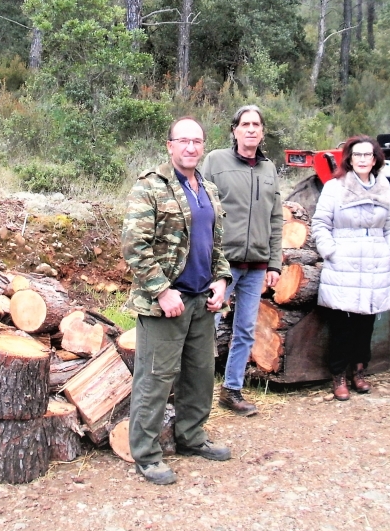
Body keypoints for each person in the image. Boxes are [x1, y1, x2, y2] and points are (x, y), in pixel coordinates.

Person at [121, 117, 233, 485]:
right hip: (165, 304)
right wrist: (161, 290)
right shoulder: (150, 187)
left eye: (197, 141)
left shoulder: (209, 190)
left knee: (200, 377)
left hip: (202, 302)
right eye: (183, 140)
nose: (190, 147)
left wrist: (221, 279)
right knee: (155, 380)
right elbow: (134, 247)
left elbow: (216, 245)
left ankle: (192, 437)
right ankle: (147, 455)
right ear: (169, 146)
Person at [201, 105, 283, 415]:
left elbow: (276, 219)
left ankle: (231, 391)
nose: (250, 129)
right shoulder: (215, 162)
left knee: (245, 330)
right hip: (221, 264)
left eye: (256, 125)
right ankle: (194, 389)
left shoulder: (269, 170)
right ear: (235, 130)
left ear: (262, 132)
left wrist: (274, 263)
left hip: (256, 266)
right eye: (244, 124)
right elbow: (201, 208)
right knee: (205, 326)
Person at [312, 136, 390, 401]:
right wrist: (331, 251)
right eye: (357, 155)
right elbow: (320, 224)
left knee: (366, 322)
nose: (363, 160)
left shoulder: (384, 187)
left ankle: (359, 370)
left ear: (375, 159)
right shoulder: (334, 187)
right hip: (345, 260)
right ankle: (338, 374)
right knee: (343, 323)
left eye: (368, 155)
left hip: (375, 261)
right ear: (349, 159)